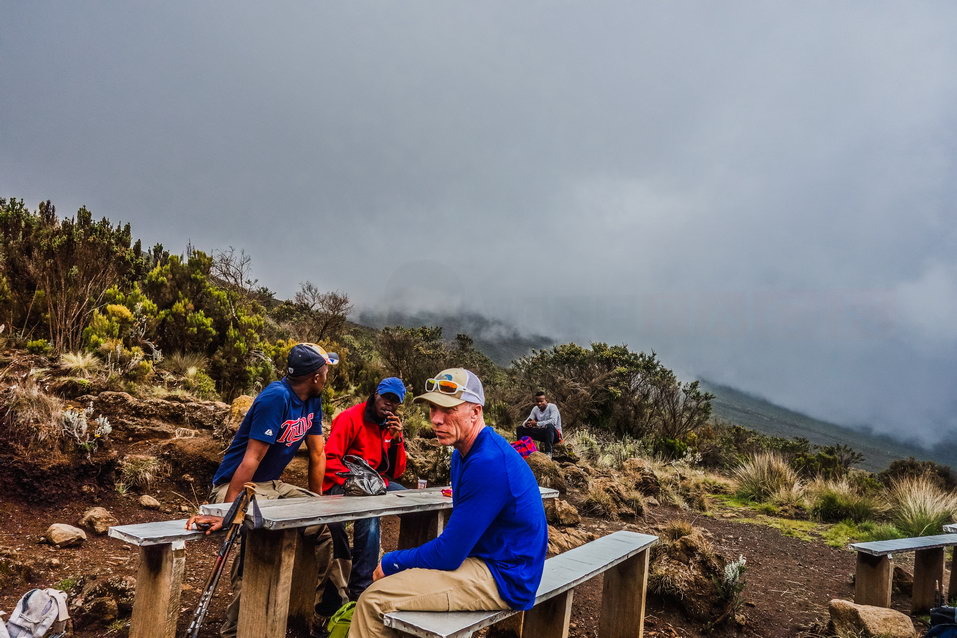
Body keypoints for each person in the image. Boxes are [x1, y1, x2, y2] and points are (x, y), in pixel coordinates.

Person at [351, 368, 548, 638]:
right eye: (433, 409)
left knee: (374, 599)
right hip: (488, 560)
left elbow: (449, 554)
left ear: (475, 412)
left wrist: (391, 561)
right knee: (399, 588)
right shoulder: (463, 452)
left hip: (506, 578)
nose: (436, 420)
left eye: (448, 410)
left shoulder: (489, 463)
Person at [186, 342, 338, 638]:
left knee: (328, 525)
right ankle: (236, 628)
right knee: (264, 532)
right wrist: (226, 512)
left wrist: (316, 503)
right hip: (237, 486)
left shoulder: (312, 400)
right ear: (316, 377)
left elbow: (318, 454)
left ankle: (320, 612)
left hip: (272, 485)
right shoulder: (275, 398)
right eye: (326, 370)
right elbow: (251, 459)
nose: (327, 376)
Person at [322, 377, 409, 601]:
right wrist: (355, 482)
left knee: (411, 501)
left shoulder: (389, 427)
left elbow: (397, 471)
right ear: (376, 394)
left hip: (376, 483)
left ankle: (410, 570)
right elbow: (329, 460)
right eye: (386, 398)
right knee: (370, 513)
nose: (388, 404)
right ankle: (361, 587)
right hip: (342, 482)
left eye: (394, 401)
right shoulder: (350, 418)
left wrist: (398, 439)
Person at [516, 391, 563, 456]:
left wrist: (536, 424)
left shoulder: (552, 407)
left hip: (555, 435)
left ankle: (548, 453)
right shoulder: (535, 409)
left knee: (549, 426)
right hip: (543, 434)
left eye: (541, 401)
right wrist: (527, 423)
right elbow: (527, 420)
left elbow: (553, 421)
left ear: (546, 400)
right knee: (520, 429)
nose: (539, 403)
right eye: (537, 401)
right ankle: (520, 451)